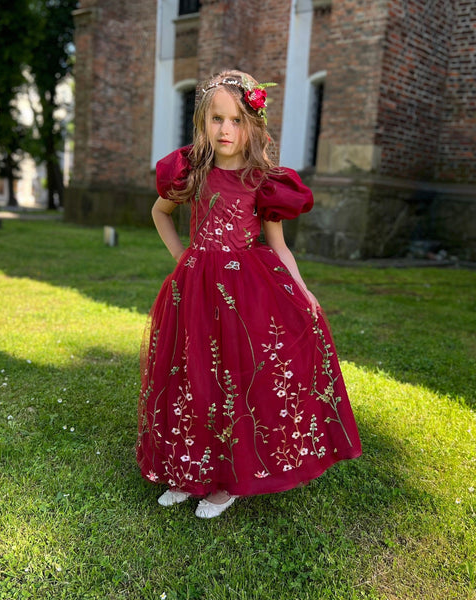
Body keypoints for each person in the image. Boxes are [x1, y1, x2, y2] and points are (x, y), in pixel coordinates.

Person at [137, 70, 362, 519]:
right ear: (203, 122)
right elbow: (160, 213)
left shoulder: (262, 181)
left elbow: (278, 245)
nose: (226, 129)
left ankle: (225, 483)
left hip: (243, 293)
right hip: (194, 290)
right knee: (189, 376)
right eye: (217, 119)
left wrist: (302, 289)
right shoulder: (191, 172)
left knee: (231, 382)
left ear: (252, 124)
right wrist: (184, 257)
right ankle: (187, 471)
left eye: (237, 120)